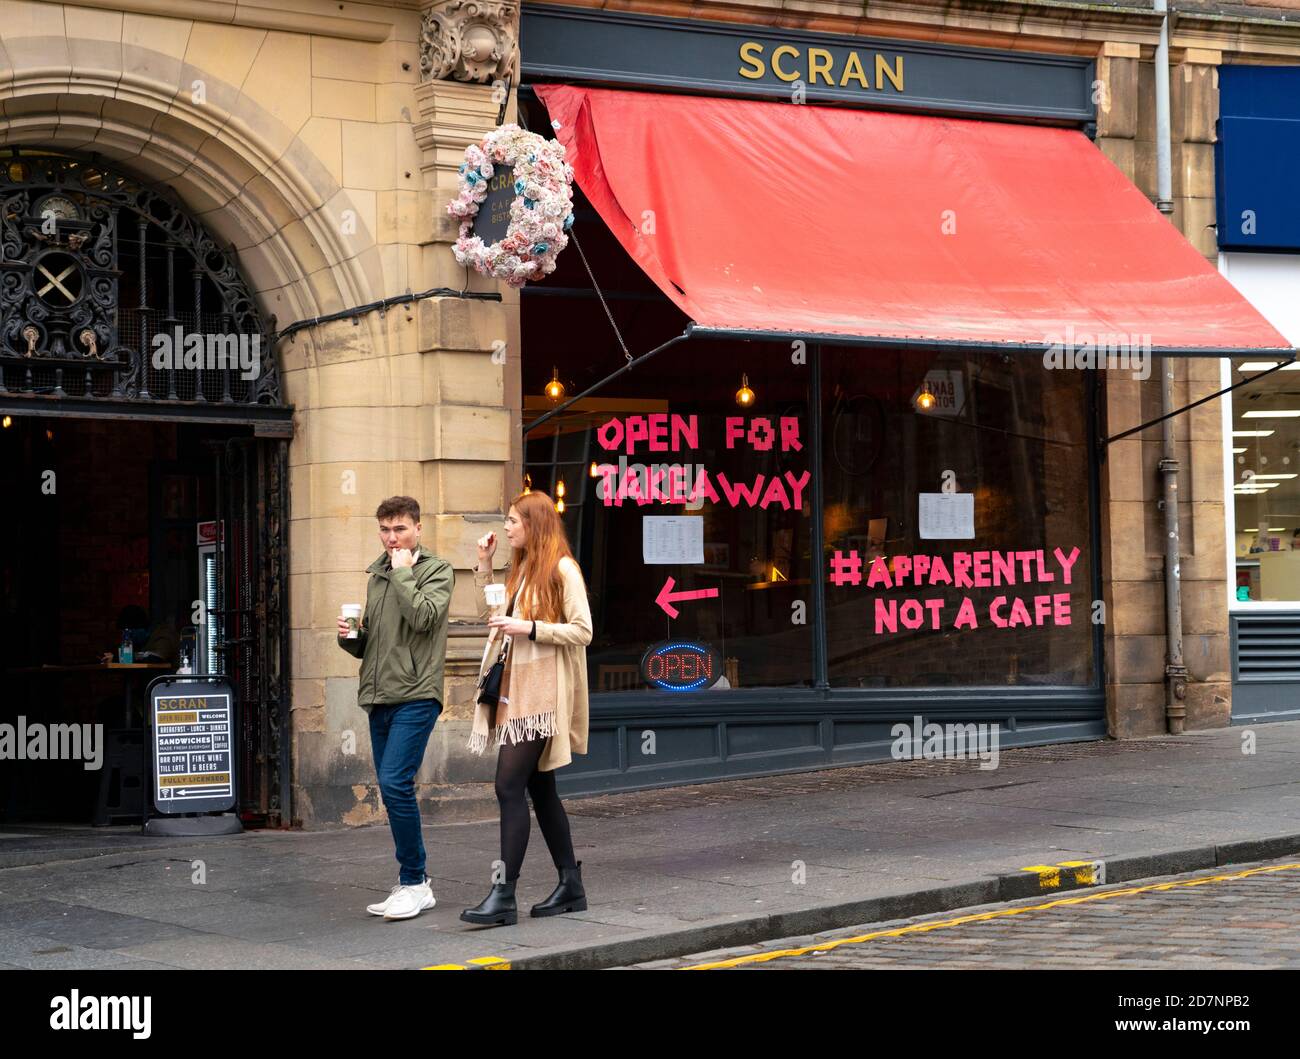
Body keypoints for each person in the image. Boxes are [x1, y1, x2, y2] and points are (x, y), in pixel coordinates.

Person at [461, 490, 592, 927]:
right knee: (540, 790)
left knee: (507, 785)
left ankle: (503, 894)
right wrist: (484, 566)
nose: (506, 527)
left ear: (534, 524)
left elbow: (583, 630)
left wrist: (530, 627)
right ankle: (571, 885)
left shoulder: (562, 568)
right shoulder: (520, 571)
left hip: (542, 695)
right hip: (515, 692)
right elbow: (491, 616)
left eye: (513, 521)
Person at [338, 496, 453, 921]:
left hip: (417, 694)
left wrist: (404, 572)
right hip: (379, 696)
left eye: (400, 529)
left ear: (418, 530)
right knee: (392, 789)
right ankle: (411, 881)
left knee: (394, 782)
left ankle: (415, 882)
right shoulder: (377, 575)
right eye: (385, 530)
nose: (392, 538)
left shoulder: (435, 571)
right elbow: (375, 644)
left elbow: (424, 618)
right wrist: (351, 638)